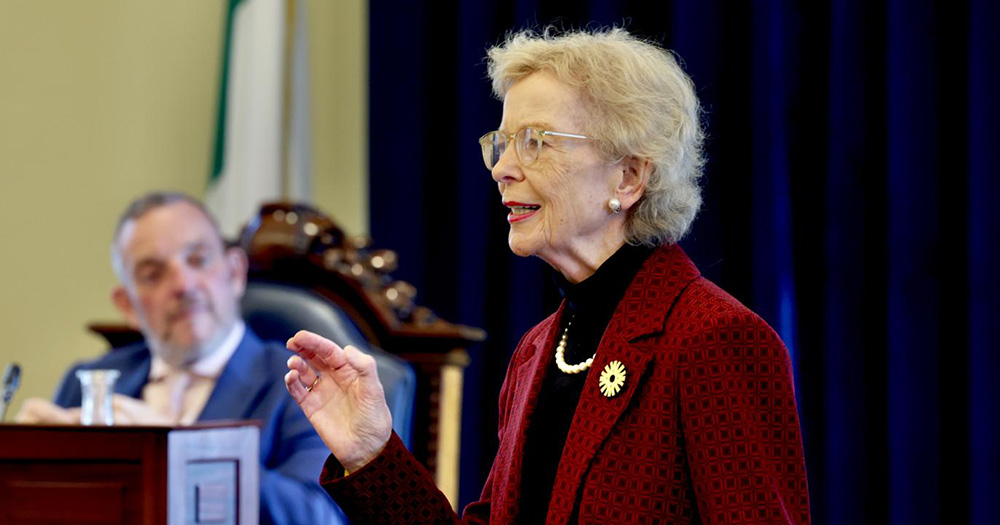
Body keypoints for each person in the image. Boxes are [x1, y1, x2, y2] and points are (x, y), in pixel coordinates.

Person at [284, 27, 810, 524]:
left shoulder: (715, 339)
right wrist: (372, 452)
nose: (502, 168)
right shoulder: (538, 351)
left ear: (628, 177)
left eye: (535, 141)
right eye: (503, 142)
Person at [16, 192, 345, 524]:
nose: (183, 285)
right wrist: (20, 465)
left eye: (198, 260)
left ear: (234, 273)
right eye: (153, 274)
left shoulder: (301, 382)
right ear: (127, 305)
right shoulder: (87, 381)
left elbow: (319, 516)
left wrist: (176, 448)